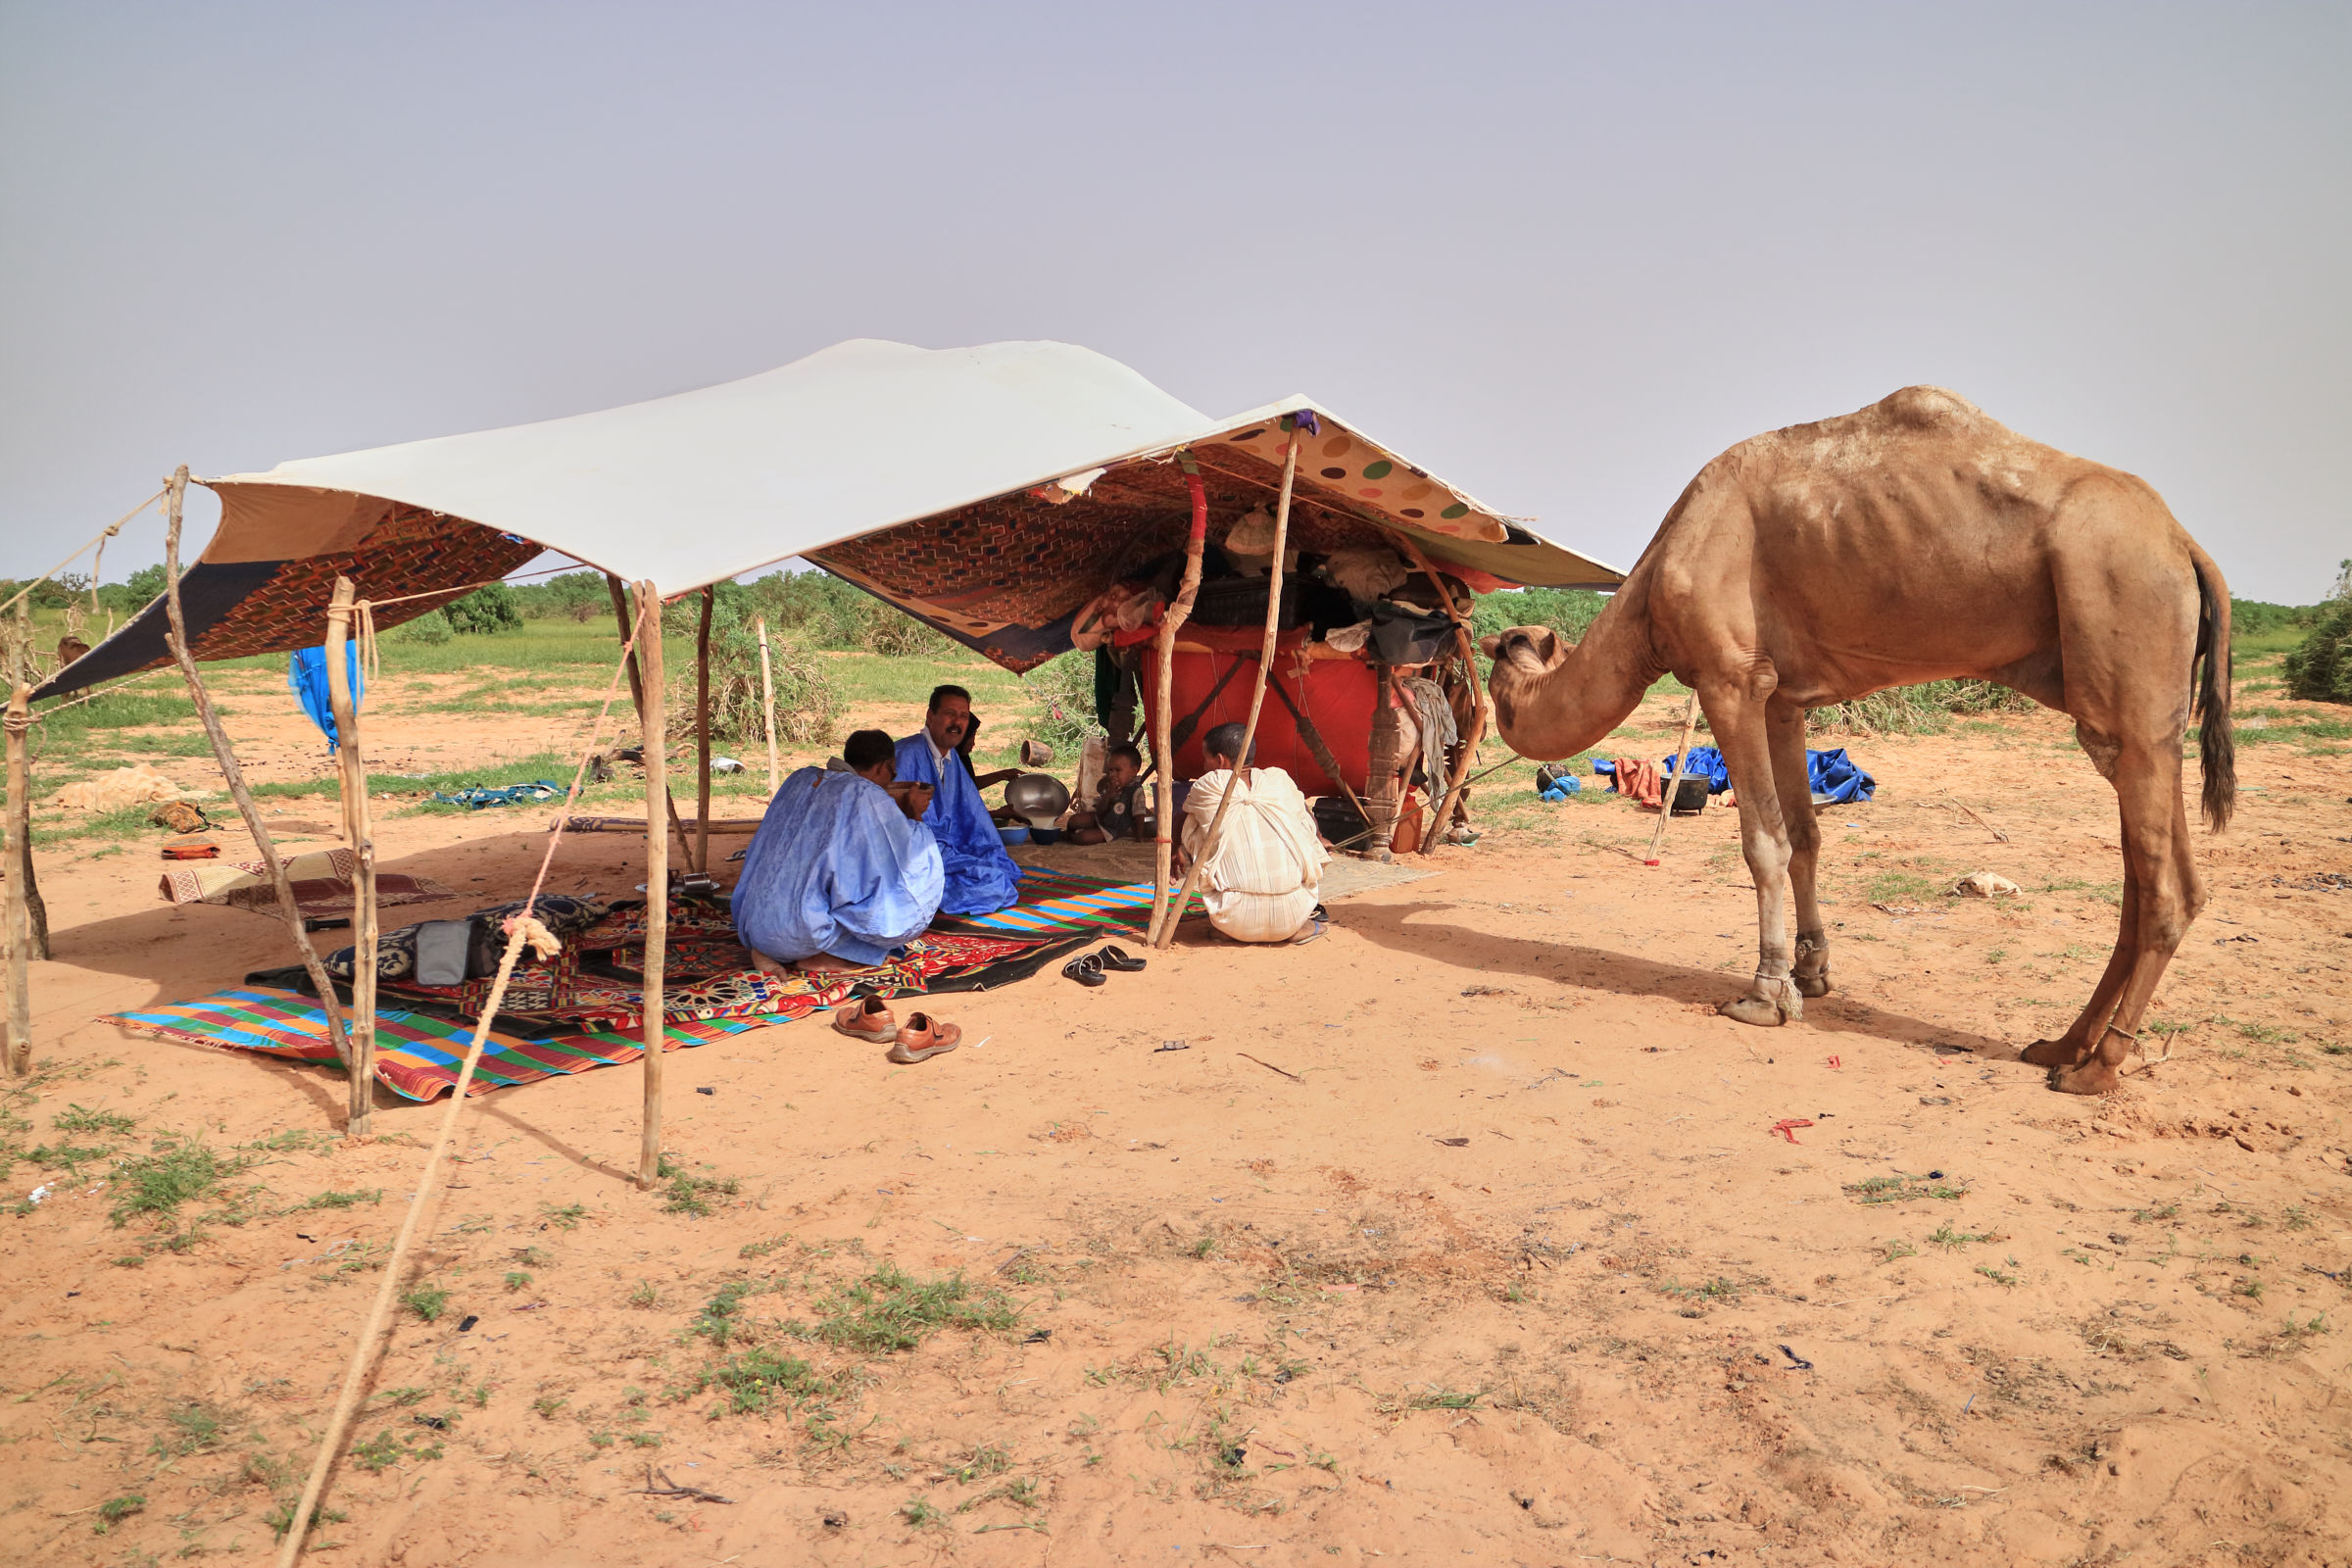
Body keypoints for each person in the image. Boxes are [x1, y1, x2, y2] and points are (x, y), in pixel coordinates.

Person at [732, 728, 944, 974]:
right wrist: (915, 812)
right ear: (882, 767)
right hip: (800, 932)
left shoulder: (800, 778)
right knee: (882, 910)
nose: (890, 780)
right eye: (892, 773)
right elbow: (910, 857)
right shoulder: (865, 795)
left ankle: (767, 947)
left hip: (752, 923)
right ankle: (816, 956)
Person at [1178, 721, 1327, 944]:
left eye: (1205, 759)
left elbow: (1181, 817)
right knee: (1300, 823)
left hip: (1231, 919)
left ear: (1220, 760)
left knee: (1194, 822)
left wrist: (1177, 848)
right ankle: (1294, 928)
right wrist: (1318, 837)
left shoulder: (1209, 784)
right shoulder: (1279, 780)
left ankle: (1236, 930)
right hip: (1293, 915)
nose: (1204, 765)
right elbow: (1305, 815)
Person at [895, 685, 1022, 915]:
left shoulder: (950, 756)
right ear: (930, 716)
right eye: (950, 713)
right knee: (993, 883)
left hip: (947, 847)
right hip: (916, 855)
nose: (957, 722)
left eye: (963, 716)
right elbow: (899, 826)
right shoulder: (907, 754)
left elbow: (972, 812)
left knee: (1000, 866)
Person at [1067, 742, 1146, 845]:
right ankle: (1068, 834)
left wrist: (1139, 837)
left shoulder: (1136, 791)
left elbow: (1139, 816)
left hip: (1112, 828)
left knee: (1083, 837)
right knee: (1074, 820)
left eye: (1117, 770)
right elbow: (1099, 811)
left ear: (1134, 771)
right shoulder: (1110, 785)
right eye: (1110, 770)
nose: (1112, 774)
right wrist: (1107, 796)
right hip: (1100, 818)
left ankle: (1071, 837)